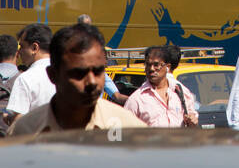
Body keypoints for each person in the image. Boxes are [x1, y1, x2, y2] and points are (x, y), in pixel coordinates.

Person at [8, 24, 145, 134]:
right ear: (53, 75)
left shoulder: (128, 128)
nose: (91, 82)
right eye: (79, 73)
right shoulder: (25, 131)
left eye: (98, 72)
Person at [125, 44, 199, 128]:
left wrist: (192, 121)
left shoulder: (180, 91)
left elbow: (192, 118)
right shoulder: (136, 100)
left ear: (167, 67)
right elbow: (125, 132)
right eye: (148, 65)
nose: (151, 69)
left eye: (156, 65)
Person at [5, 23, 56, 125]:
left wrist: (7, 116)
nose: (19, 52)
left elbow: (17, 119)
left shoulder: (25, 79)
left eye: (22, 46)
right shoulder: (66, 74)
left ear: (34, 48)